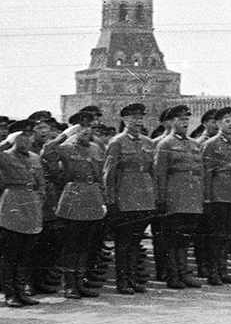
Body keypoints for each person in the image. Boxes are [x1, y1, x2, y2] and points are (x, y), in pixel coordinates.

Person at [43, 113, 108, 299]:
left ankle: (80, 282)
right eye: (82, 127)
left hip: (92, 196)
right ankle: (70, 285)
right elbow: (47, 152)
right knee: (72, 244)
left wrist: (103, 200)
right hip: (73, 196)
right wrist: (64, 134)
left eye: (90, 127)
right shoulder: (66, 147)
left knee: (86, 244)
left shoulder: (95, 148)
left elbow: (100, 177)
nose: (86, 130)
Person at [103, 103, 156, 294]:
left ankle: (133, 279)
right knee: (124, 243)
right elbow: (109, 173)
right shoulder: (117, 142)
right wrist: (110, 199)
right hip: (125, 198)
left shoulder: (147, 143)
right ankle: (123, 281)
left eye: (140, 118)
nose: (137, 121)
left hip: (145, 197)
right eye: (133, 118)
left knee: (135, 242)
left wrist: (154, 197)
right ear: (124, 120)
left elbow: (152, 172)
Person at [153, 105, 204, 290]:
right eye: (180, 120)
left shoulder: (193, 144)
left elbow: (200, 173)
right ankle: (173, 275)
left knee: (184, 238)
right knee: (172, 239)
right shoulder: (165, 144)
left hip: (192, 199)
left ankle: (183, 273)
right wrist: (161, 199)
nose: (184, 123)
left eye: (186, 119)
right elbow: (160, 174)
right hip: (174, 198)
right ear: (172, 122)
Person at [201, 106, 231, 285]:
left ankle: (223, 270)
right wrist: (207, 198)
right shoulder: (210, 144)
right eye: (226, 121)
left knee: (228, 234)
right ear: (219, 124)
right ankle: (213, 271)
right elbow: (206, 172)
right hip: (218, 195)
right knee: (216, 235)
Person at [0, 120, 45, 307]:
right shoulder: (4, 155)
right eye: (21, 136)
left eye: (29, 135)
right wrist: (6, 143)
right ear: (14, 138)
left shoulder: (35, 157)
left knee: (26, 253)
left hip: (32, 204)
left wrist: (40, 198)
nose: (26, 139)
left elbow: (41, 182)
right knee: (10, 253)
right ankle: (10, 293)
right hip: (13, 203)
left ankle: (22, 290)